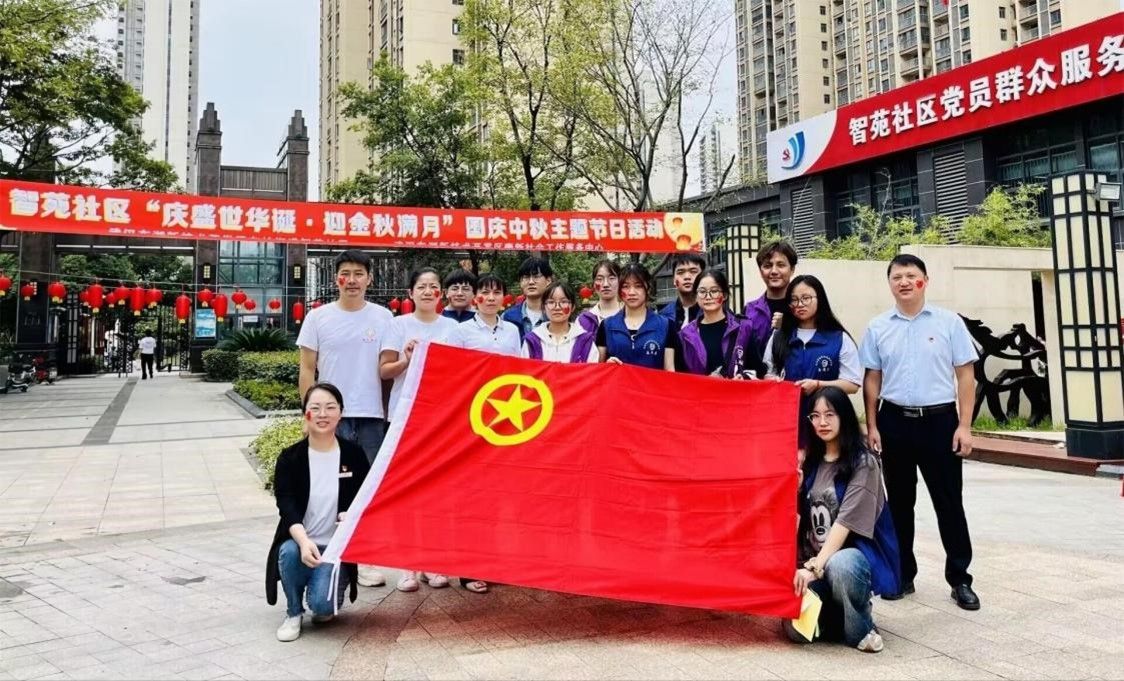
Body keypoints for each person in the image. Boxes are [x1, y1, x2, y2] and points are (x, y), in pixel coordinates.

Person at [859, 254, 980, 610]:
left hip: (940, 422)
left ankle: (960, 578)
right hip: (894, 421)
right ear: (890, 284)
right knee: (899, 504)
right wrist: (872, 425)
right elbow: (872, 379)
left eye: (911, 275)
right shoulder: (878, 327)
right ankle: (902, 574)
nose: (904, 282)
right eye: (897, 276)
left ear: (925, 280)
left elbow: (966, 376)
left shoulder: (949, 322)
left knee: (949, 502)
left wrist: (965, 426)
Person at [297, 249, 393, 588]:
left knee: (366, 489)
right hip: (329, 417)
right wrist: (309, 414)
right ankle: (329, 553)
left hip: (370, 416)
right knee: (328, 487)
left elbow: (387, 371)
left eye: (358, 274)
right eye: (345, 273)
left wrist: (387, 415)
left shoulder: (384, 317)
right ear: (336, 278)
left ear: (369, 279)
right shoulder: (318, 318)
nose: (351, 280)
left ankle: (363, 558)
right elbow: (307, 369)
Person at [788, 386, 900, 653]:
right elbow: (798, 521)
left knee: (843, 565)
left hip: (848, 560)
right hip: (813, 562)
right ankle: (836, 615)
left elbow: (845, 522)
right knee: (795, 633)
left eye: (830, 414)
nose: (822, 422)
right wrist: (796, 490)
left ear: (844, 416)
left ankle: (860, 629)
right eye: (815, 416)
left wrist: (814, 567)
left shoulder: (864, 463)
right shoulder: (812, 462)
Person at [267, 382, 371, 642]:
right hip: (302, 540)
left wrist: (351, 514)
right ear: (306, 413)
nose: (323, 414)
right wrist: (304, 542)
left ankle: (321, 594)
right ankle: (293, 612)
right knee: (289, 552)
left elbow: (366, 496)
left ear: (341, 413)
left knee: (322, 607)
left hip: (336, 546)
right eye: (315, 408)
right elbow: (287, 506)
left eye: (330, 407)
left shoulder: (354, 454)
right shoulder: (290, 458)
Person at [379, 268, 459, 593]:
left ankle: (434, 561)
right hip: (405, 417)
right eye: (422, 286)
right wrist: (407, 360)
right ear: (410, 293)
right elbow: (384, 371)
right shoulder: (397, 325)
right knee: (407, 492)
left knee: (438, 493)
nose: (428, 291)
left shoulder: (453, 329)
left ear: (441, 293)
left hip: (441, 421)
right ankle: (408, 565)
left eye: (434, 286)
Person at [444, 272, 523, 596]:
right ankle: (469, 567)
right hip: (472, 424)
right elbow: (452, 375)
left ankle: (495, 562)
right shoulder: (460, 332)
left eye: (496, 293)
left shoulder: (513, 331)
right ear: (475, 297)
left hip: (506, 424)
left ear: (504, 297)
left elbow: (521, 375)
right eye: (485, 293)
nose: (490, 298)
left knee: (501, 498)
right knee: (473, 498)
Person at [764, 275, 862, 426]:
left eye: (806, 298)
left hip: (826, 421)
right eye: (794, 300)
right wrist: (772, 380)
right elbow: (768, 373)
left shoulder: (839, 338)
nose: (800, 304)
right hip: (786, 419)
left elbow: (852, 384)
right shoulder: (779, 337)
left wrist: (818, 384)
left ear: (820, 299)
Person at [678, 269, 764, 379]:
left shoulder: (743, 328)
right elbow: (681, 378)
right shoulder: (685, 335)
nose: (708, 296)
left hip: (736, 389)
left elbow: (758, 371)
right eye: (702, 292)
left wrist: (744, 377)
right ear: (696, 296)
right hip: (700, 390)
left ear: (725, 295)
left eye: (714, 291)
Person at [596, 263, 677, 371]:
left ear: (648, 288)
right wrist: (607, 365)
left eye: (638, 286)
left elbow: (669, 371)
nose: (631, 292)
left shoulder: (666, 325)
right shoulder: (606, 326)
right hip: (618, 382)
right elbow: (598, 369)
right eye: (625, 286)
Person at [522, 282, 599, 363]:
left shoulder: (585, 342)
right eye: (551, 302)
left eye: (564, 302)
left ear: (573, 307)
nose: (557, 307)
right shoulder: (532, 341)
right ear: (543, 307)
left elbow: (592, 370)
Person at [744, 240, 798, 354]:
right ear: (760, 271)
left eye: (781, 265)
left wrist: (786, 327)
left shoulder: (803, 308)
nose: (774, 271)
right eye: (767, 266)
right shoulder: (749, 311)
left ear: (792, 269)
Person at [501, 257, 553, 336]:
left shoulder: (556, 315)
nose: (531, 282)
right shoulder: (507, 317)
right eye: (526, 277)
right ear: (520, 282)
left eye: (536, 276)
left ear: (548, 280)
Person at [657, 253, 705, 329]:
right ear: (674, 280)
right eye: (681, 272)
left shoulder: (715, 312)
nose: (687, 277)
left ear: (703, 277)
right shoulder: (663, 317)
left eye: (693, 271)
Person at [577, 258, 622, 334]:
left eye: (611, 278)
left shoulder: (632, 315)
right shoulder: (584, 320)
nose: (605, 284)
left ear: (620, 281)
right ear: (594, 284)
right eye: (599, 279)